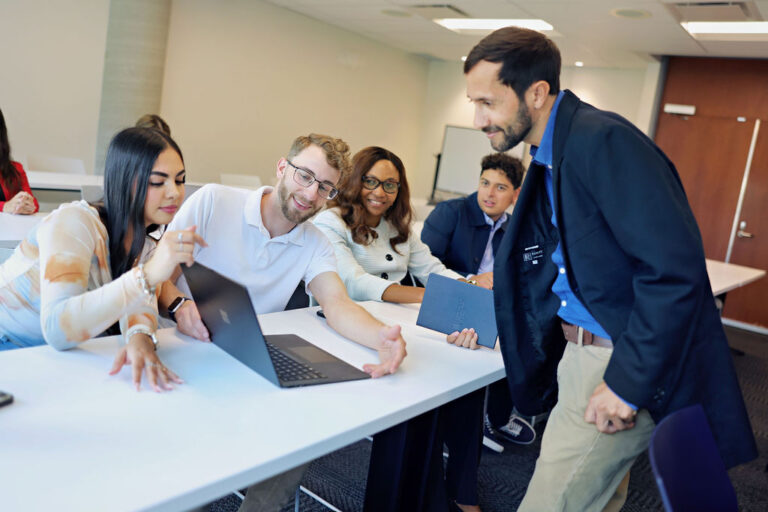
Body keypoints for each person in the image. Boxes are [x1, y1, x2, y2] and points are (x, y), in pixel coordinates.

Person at [463, 26, 756, 512]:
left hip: (615, 359)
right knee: (596, 502)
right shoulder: (555, 152)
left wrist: (625, 381)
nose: (477, 118)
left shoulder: (602, 142)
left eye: (487, 102)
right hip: (586, 353)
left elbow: (672, 272)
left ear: (536, 93)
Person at [159, 133, 407, 512]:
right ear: (281, 168)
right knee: (183, 477)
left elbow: (337, 304)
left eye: (326, 187)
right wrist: (179, 306)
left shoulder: (314, 242)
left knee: (308, 417)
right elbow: (154, 274)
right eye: (304, 176)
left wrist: (381, 337)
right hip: (183, 348)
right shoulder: (214, 201)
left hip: (247, 356)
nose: (310, 194)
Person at [314, 146, 485, 512]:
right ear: (355, 181)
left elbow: (433, 269)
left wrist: (469, 287)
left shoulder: (398, 227)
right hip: (345, 331)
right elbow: (354, 284)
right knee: (423, 381)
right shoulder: (331, 222)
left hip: (395, 323)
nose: (380, 192)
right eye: (371, 181)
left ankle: (460, 490)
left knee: (469, 379)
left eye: (390, 184)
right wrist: (430, 296)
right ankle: (423, 494)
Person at [0, 127, 199, 393]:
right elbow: (57, 328)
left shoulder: (147, 241)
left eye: (180, 179)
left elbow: (141, 302)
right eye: (157, 182)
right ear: (124, 181)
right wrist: (149, 275)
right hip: (11, 346)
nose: (174, 192)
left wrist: (139, 337)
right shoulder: (75, 222)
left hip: (55, 357)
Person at [421, 153, 537, 446]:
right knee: (498, 339)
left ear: (515, 194)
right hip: (451, 299)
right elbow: (424, 267)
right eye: (485, 182)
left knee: (522, 335)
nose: (489, 192)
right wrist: (473, 278)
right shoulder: (451, 212)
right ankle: (475, 417)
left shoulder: (516, 228)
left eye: (500, 187)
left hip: (493, 304)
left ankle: (495, 416)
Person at [0, 108, 39, 215]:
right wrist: (5, 206)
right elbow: (7, 206)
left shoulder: (15, 169)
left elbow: (33, 203)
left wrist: (27, 205)